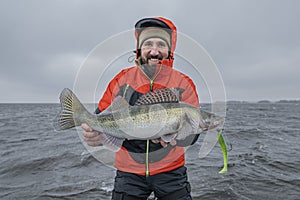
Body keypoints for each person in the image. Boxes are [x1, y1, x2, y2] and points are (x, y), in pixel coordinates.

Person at [81, 17, 200, 200]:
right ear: (139, 48)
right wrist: (94, 133)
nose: (154, 50)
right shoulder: (121, 79)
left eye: (161, 44)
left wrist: (182, 137)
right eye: (148, 44)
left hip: (172, 172)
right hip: (128, 173)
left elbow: (193, 135)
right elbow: (100, 117)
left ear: (170, 49)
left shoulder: (185, 83)